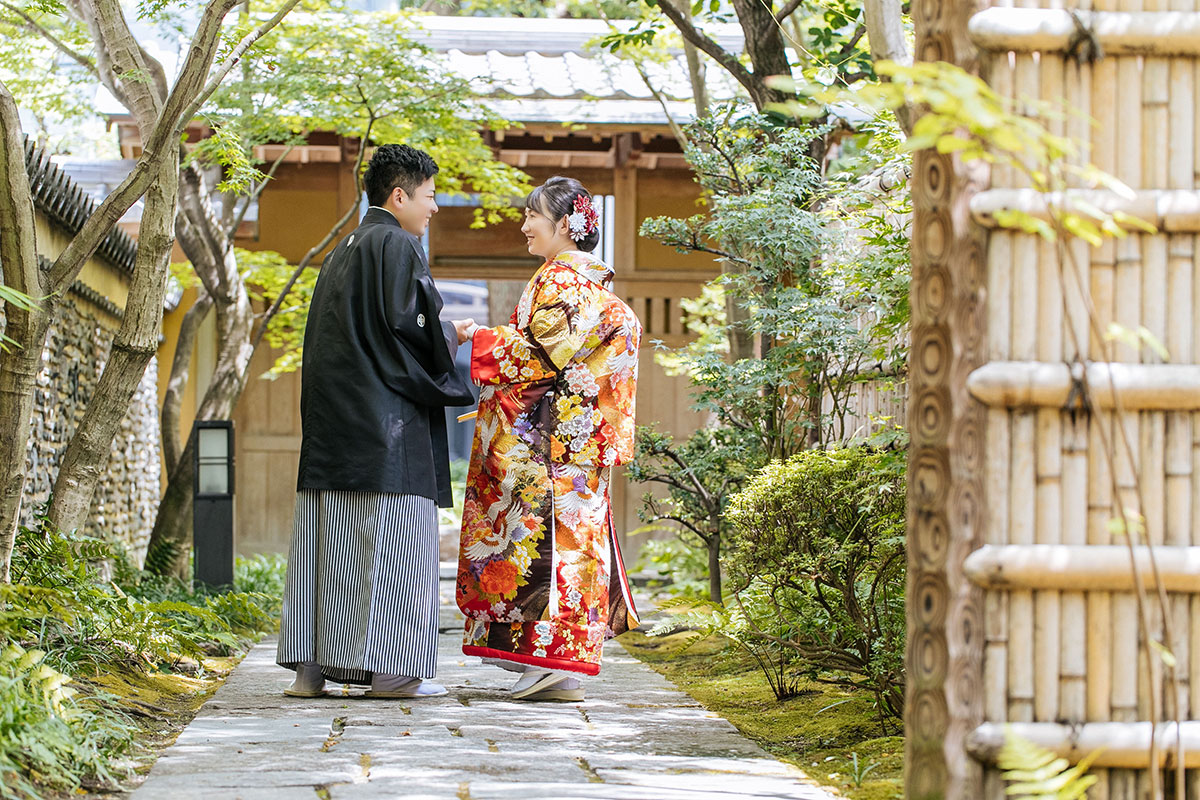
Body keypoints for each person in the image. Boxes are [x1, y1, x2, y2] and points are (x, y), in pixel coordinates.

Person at [277, 144, 475, 699]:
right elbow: (409, 331)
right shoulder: (396, 244)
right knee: (390, 550)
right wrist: (451, 335)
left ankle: (309, 671)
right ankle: (393, 672)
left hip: (332, 429)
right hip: (383, 432)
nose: (434, 208)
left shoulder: (343, 249)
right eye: (431, 196)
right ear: (399, 195)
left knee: (324, 549)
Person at [454, 176, 641, 702]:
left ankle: (552, 660)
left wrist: (481, 339)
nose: (524, 225)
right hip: (580, 442)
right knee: (574, 547)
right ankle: (559, 661)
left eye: (532, 215)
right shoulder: (593, 285)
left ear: (564, 224)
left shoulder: (559, 281)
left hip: (550, 442)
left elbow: (538, 355)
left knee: (544, 548)